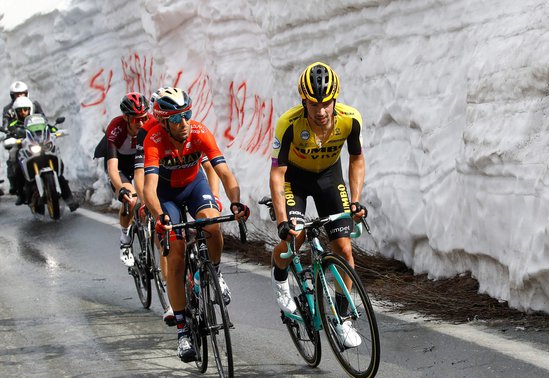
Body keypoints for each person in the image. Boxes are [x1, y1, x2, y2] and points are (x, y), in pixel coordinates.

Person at [142, 87, 249, 362]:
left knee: (212, 225)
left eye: (187, 114)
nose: (185, 122)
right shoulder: (154, 140)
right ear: (164, 122)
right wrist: (159, 216)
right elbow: (149, 189)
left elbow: (223, 171)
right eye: (177, 118)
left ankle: (212, 271)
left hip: (193, 185)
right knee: (175, 256)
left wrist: (235, 202)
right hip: (166, 197)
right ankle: (182, 332)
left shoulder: (199, 132)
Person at [269, 61, 368, 348]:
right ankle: (279, 277)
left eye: (327, 103)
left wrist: (356, 199)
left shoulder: (350, 119)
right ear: (304, 101)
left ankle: (342, 317)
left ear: (335, 99)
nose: (321, 111)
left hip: (328, 176)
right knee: (295, 237)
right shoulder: (289, 124)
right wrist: (281, 220)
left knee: (344, 248)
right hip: (294, 181)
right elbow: (277, 173)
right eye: (314, 104)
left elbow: (357, 159)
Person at [104, 92, 153, 267]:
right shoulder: (116, 128)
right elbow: (112, 167)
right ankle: (125, 238)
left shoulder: (151, 123)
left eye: (144, 118)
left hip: (143, 162)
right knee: (130, 200)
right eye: (135, 119)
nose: (141, 123)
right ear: (125, 117)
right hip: (121, 166)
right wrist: (120, 188)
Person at [5, 97, 78, 211]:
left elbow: (47, 127)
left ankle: (70, 200)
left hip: (40, 147)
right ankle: (21, 193)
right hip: (25, 150)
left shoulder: (37, 120)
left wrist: (54, 130)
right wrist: (11, 137)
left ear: (30, 109)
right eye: (20, 110)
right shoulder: (14, 123)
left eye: (25, 110)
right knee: (17, 167)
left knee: (60, 173)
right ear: (16, 112)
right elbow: (9, 133)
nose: (24, 112)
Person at [2, 81, 44, 197]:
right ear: (12, 96)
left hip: (35, 136)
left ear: (26, 93)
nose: (20, 96)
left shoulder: (34, 104)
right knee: (13, 156)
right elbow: (6, 123)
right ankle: (17, 187)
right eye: (17, 94)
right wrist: (9, 132)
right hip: (18, 138)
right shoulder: (8, 109)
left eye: (22, 93)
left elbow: (43, 118)